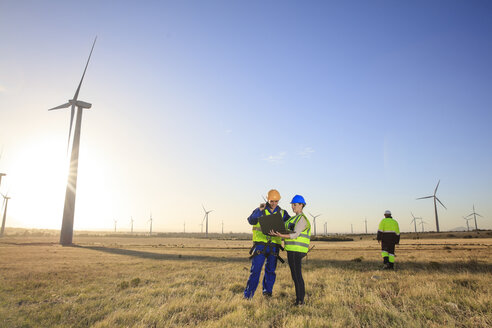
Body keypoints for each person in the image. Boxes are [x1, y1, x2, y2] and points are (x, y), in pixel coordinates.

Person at [244, 189, 290, 299]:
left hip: (274, 246)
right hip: (260, 245)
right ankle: (248, 296)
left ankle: (267, 293)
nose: (274, 204)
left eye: (276, 201)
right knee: (255, 271)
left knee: (270, 271)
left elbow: (290, 224)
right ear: (267, 199)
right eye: (271, 201)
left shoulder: (283, 213)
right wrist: (260, 211)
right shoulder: (260, 209)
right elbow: (251, 220)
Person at [270, 194, 311, 306]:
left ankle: (300, 301)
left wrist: (281, 234)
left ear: (301, 205)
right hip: (291, 250)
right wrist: (277, 233)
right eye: (292, 205)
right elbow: (285, 231)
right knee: (295, 275)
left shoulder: (302, 219)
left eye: (295, 205)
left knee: (297, 276)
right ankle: (299, 300)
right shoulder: (292, 219)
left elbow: (295, 234)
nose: (293, 207)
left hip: (297, 251)